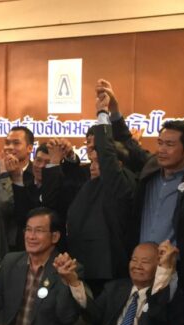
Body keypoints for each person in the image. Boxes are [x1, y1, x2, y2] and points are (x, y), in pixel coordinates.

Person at [66, 92, 136, 296]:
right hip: (84, 266)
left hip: (107, 272)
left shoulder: (121, 182)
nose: (93, 165)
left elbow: (107, 155)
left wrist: (103, 114)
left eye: (100, 161)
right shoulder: (92, 183)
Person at [134, 120, 184, 288]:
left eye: (169, 144)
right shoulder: (149, 174)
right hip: (142, 268)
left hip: (177, 269)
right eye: (160, 143)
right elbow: (129, 147)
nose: (162, 150)